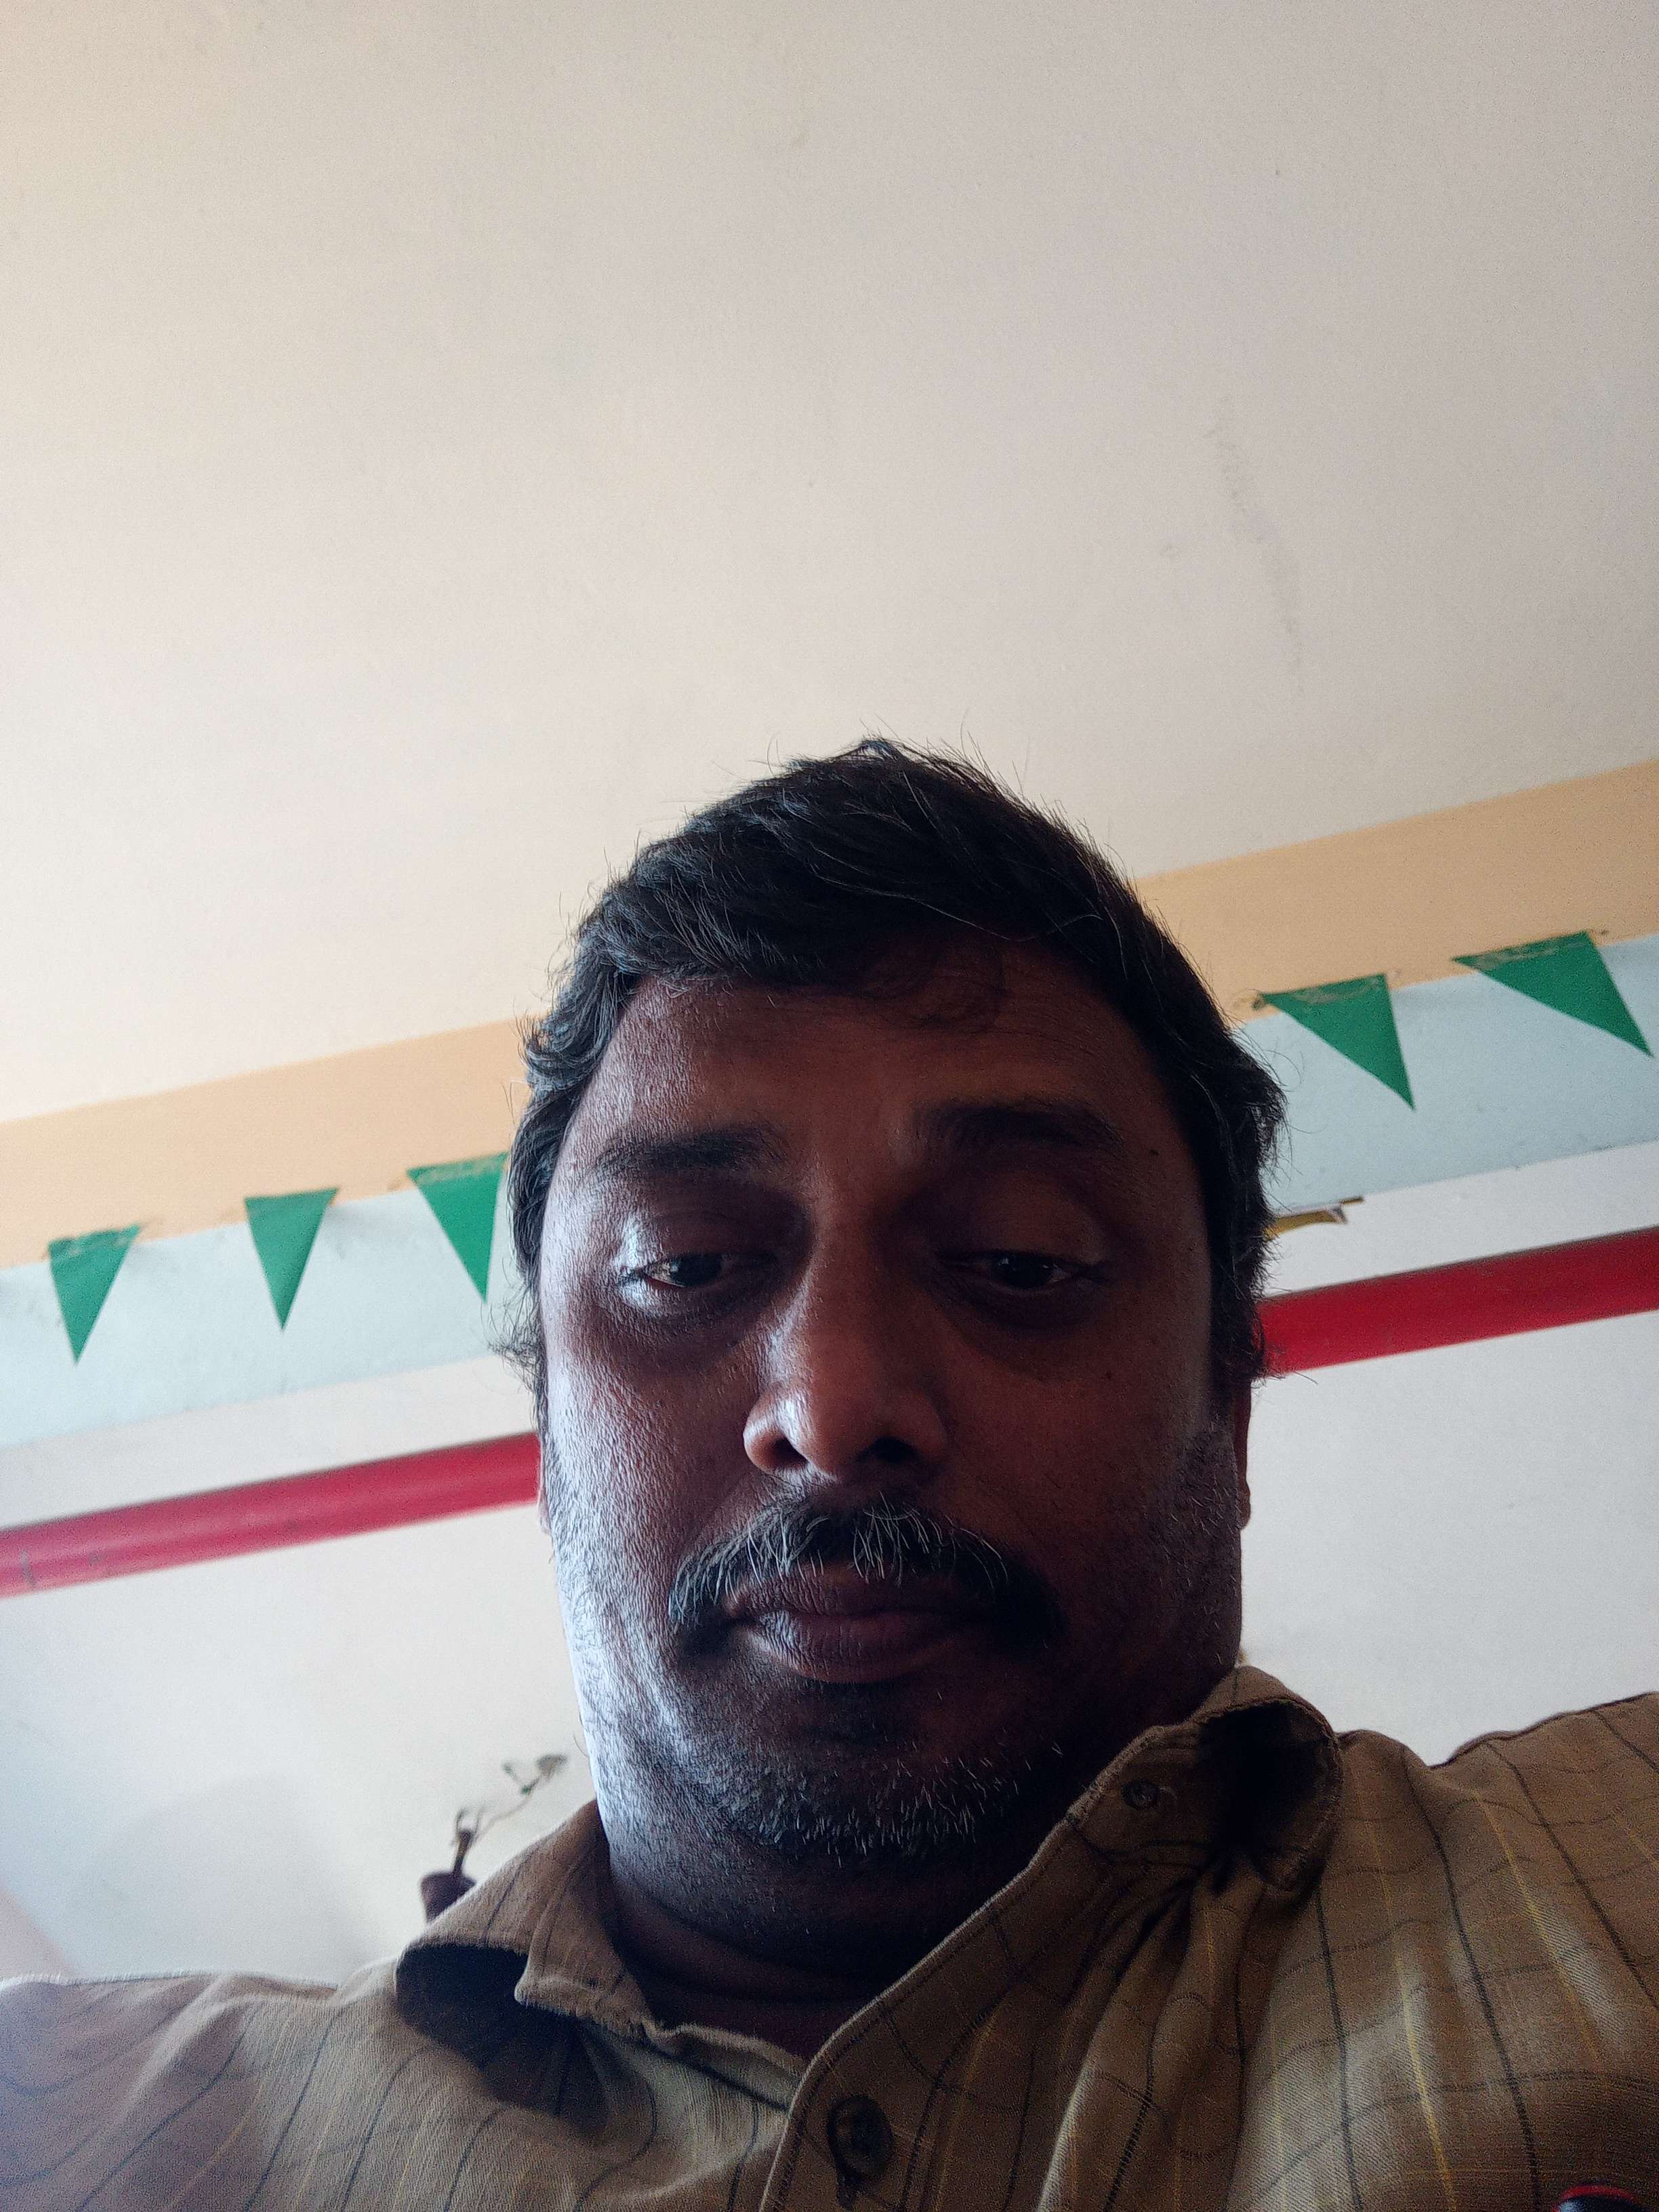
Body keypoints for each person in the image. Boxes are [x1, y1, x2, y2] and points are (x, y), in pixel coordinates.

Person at [3, 743, 1655, 2210]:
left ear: (1229, 1402)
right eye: (683, 1267)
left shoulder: (1618, 1874)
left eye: (1021, 1259)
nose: (834, 1400)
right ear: (551, 1431)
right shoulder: (89, 2130)